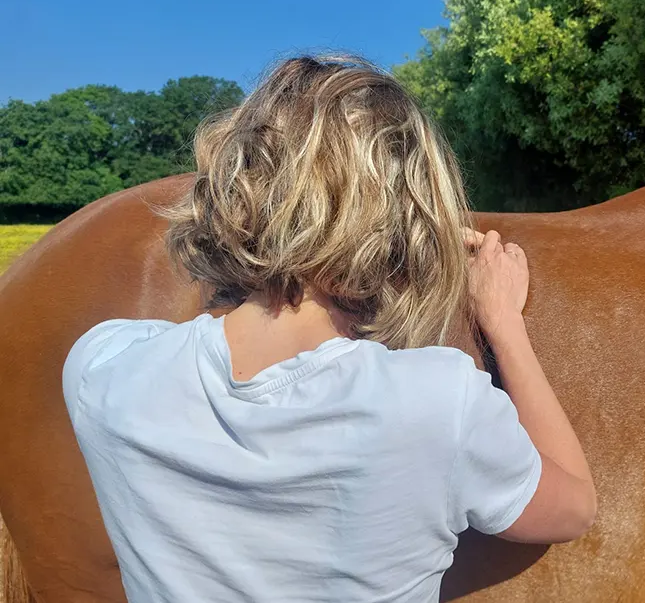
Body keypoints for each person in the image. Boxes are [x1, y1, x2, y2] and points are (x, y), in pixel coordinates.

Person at [62, 55, 596, 603]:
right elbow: (574, 509)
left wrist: (241, 253)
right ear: (397, 227)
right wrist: (504, 322)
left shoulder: (101, 368)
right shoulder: (438, 401)